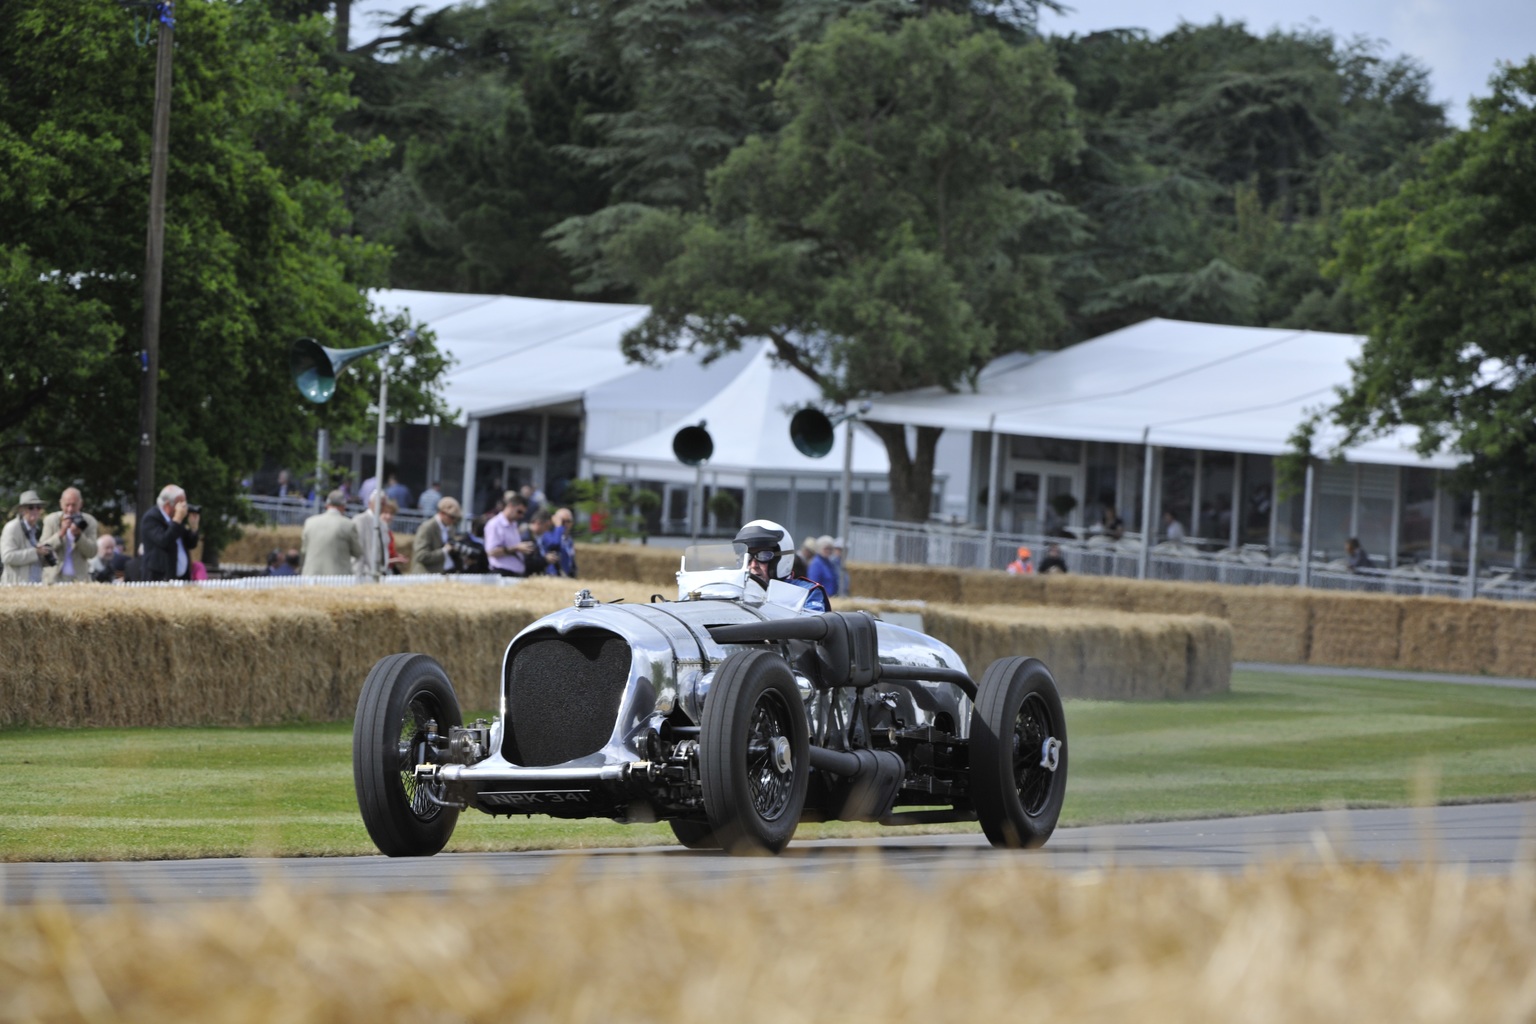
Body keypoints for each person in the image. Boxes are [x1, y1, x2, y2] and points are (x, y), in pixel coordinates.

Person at [735, 520, 829, 612]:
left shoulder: (806, 592)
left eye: (763, 556)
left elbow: (812, 624)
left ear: (781, 558)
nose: (753, 565)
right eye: (747, 557)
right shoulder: (733, 591)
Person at [137, 484, 201, 582]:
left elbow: (190, 544)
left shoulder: (176, 519)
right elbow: (164, 541)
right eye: (180, 504)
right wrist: (177, 520)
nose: (184, 508)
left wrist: (194, 528)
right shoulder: (151, 518)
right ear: (167, 505)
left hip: (181, 579)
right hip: (159, 578)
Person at [40, 487, 99, 584]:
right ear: (61, 504)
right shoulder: (51, 520)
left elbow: (92, 553)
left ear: (81, 504)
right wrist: (61, 533)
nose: (70, 509)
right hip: (54, 579)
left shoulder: (89, 521)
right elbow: (42, 550)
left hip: (79, 580)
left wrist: (79, 535)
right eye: (67, 505)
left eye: (74, 505)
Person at [300, 489, 363, 577]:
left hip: (310, 576)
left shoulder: (309, 522)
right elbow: (358, 552)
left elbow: (304, 550)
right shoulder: (348, 524)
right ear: (343, 506)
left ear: (327, 505)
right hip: (337, 578)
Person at [1, 490, 50, 585]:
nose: (35, 510)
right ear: (22, 510)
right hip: (16, 586)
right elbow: (7, 557)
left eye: (38, 507)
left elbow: (32, 559)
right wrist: (35, 552)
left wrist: (45, 555)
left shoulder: (35, 529)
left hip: (35, 584)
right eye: (31, 507)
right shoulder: (12, 527)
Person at [484, 492, 535, 576]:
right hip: (501, 573)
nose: (521, 516)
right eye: (519, 512)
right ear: (510, 506)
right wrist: (516, 548)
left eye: (523, 513)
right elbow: (492, 552)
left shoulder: (513, 525)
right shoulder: (495, 524)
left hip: (514, 573)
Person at [412, 496, 463, 574]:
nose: (454, 521)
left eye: (456, 518)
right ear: (442, 513)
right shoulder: (427, 528)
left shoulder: (451, 528)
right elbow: (421, 556)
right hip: (426, 576)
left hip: (446, 573)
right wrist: (444, 551)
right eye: (452, 517)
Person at [541, 507, 578, 577]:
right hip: (553, 575)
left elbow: (571, 559)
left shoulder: (569, 539)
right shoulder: (547, 534)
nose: (565, 524)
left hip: (565, 576)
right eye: (563, 521)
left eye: (568, 521)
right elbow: (555, 544)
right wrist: (558, 526)